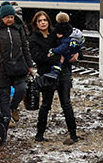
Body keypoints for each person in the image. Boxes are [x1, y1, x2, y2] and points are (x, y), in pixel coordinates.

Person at [30, 11, 79, 144]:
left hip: (63, 73)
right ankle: (39, 134)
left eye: (44, 20)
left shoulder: (56, 33)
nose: (43, 23)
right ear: (36, 24)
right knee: (46, 104)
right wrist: (58, 58)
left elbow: (70, 45)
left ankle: (73, 134)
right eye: (39, 21)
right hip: (47, 75)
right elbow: (38, 58)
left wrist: (77, 53)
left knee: (66, 104)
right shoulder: (34, 39)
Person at [0, 2, 35, 125]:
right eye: (7, 17)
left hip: (18, 64)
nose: (10, 20)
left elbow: (25, 47)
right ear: (1, 17)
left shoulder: (18, 28)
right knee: (4, 93)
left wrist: (30, 65)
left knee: (22, 89)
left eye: (12, 17)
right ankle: (6, 119)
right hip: (1, 67)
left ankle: (13, 107)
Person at [46, 12, 84, 80]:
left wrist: (53, 51)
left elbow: (62, 47)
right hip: (66, 57)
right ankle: (69, 76)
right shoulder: (71, 32)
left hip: (61, 56)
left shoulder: (58, 32)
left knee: (60, 63)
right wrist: (77, 52)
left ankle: (55, 72)